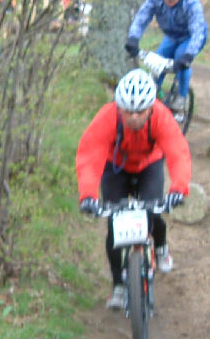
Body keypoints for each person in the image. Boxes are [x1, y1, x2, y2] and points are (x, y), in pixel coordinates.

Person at [76, 69, 191, 310]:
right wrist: (88, 195)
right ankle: (118, 285)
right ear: (119, 107)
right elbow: (90, 154)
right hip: (116, 166)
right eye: (128, 111)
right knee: (114, 226)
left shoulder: (161, 116)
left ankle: (160, 246)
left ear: (151, 107)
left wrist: (178, 189)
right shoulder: (107, 117)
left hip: (149, 165)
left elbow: (177, 152)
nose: (134, 117)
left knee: (154, 212)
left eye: (141, 111)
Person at [124, 0, 208, 113]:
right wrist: (133, 38)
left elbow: (198, 30)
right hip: (171, 36)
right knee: (157, 64)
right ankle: (152, 95)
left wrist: (188, 55)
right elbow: (142, 17)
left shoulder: (191, 2)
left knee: (180, 60)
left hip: (189, 37)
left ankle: (181, 98)